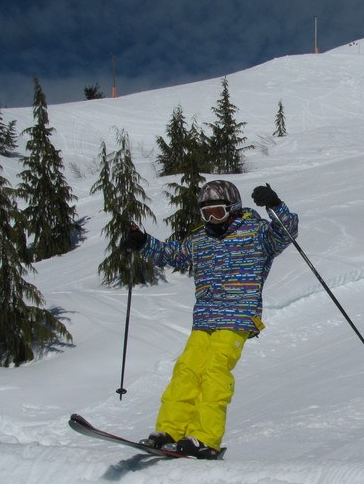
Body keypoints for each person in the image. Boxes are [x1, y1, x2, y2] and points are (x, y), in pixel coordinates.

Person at [123, 180, 298, 459]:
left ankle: (204, 437)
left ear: (233, 208)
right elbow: (173, 255)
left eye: (217, 212)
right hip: (205, 317)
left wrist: (275, 205)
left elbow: (286, 232)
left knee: (215, 373)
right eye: (206, 213)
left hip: (239, 316)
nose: (211, 219)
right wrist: (143, 242)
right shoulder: (200, 239)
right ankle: (170, 430)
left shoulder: (257, 233)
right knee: (186, 370)